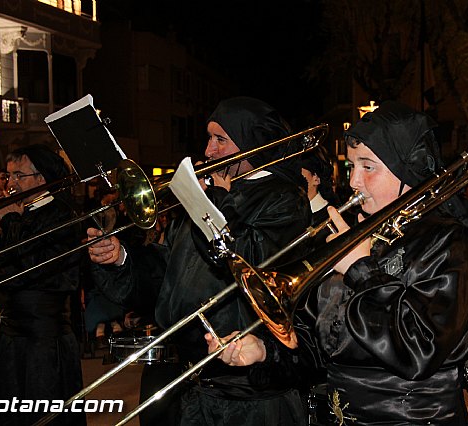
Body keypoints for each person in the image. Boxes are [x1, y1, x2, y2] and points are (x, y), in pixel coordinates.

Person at [211, 101, 468, 425]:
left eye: (368, 167)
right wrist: (265, 352)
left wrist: (360, 270)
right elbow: (315, 345)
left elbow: (419, 350)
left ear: (406, 170)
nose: (354, 180)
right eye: (353, 166)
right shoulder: (358, 233)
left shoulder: (448, 243)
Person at [87, 97, 312, 426]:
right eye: (209, 138)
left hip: (246, 392)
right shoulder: (207, 197)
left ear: (253, 143)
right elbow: (170, 272)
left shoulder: (284, 197)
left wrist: (216, 201)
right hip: (194, 382)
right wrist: (121, 257)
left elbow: (249, 262)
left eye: (221, 139)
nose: (209, 151)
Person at [0, 144, 84, 425]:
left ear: (41, 178)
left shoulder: (61, 213)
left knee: (43, 416)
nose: (10, 184)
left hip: (43, 343)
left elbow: (31, 266)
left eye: (18, 176)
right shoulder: (15, 214)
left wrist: (11, 217)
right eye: (9, 176)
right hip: (9, 339)